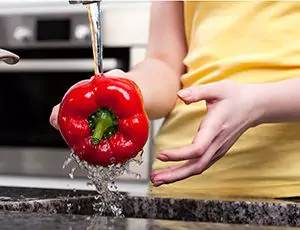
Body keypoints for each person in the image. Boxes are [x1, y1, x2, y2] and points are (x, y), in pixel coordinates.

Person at [50, 1, 300, 198]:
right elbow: (165, 64)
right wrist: (127, 89)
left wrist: (259, 103)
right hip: (176, 186)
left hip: (286, 188)